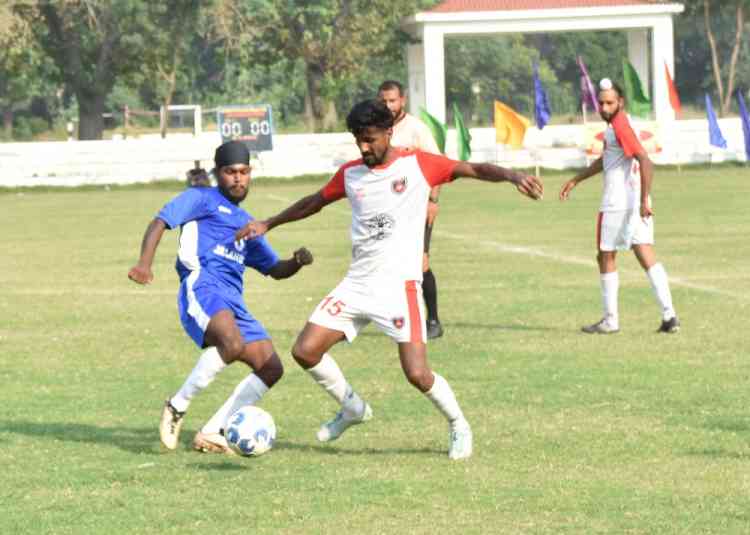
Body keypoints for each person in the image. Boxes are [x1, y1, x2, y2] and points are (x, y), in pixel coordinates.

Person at [235, 99, 543, 460]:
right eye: (358, 140)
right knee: (305, 350)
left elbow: (471, 168)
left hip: (400, 289)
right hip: (356, 285)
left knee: (416, 373)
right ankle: (352, 408)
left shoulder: (419, 164)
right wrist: (268, 223)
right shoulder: (351, 174)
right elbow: (313, 202)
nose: (364, 147)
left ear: (388, 132)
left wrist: (513, 176)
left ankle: (459, 423)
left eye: (370, 139)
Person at [128, 140, 314, 454]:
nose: (238, 178)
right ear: (218, 173)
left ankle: (212, 431)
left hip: (233, 301)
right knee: (232, 343)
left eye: (243, 172)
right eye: (230, 172)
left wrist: (296, 262)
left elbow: (275, 269)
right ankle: (177, 406)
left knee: (271, 367)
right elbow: (161, 221)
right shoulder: (201, 198)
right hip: (202, 286)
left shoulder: (249, 224)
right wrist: (144, 263)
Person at [559, 78, 680, 334]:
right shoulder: (620, 125)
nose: (603, 107)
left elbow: (646, 161)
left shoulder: (619, 125)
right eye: (601, 103)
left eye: (609, 102)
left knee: (605, 256)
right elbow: (608, 159)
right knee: (645, 254)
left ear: (620, 102)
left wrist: (644, 200)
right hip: (633, 201)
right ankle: (670, 316)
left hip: (618, 203)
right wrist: (576, 179)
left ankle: (611, 320)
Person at [378, 80, 445, 340]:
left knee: (421, 262)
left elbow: (438, 165)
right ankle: (398, 317)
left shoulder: (416, 129)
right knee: (388, 262)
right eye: (383, 101)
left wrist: (433, 201)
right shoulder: (378, 129)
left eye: (392, 100)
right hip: (389, 209)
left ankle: (434, 320)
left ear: (402, 100)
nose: (388, 105)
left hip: (418, 208)